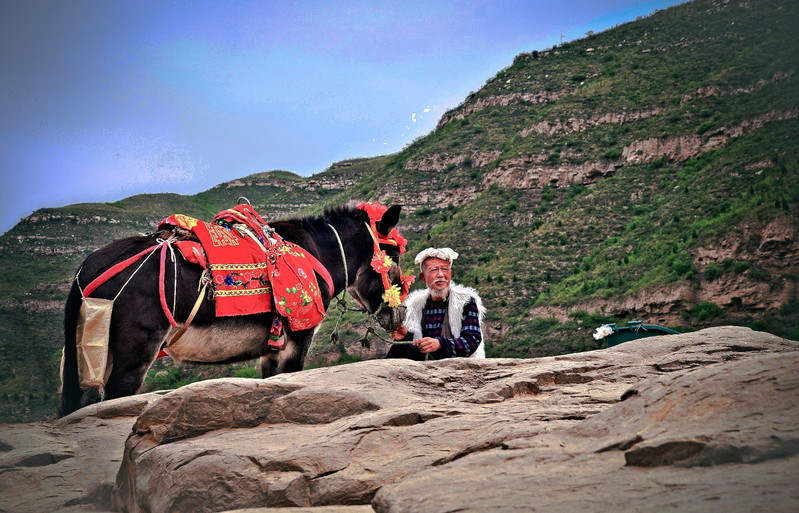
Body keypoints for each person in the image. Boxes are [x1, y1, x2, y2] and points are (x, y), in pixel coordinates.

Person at [387, 247, 486, 360]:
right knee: (397, 350)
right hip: (424, 366)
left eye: (444, 269)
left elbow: (472, 340)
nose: (440, 275)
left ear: (450, 274)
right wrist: (404, 337)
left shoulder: (465, 301)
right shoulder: (414, 305)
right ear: (423, 277)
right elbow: (414, 346)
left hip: (459, 367)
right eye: (434, 270)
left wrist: (440, 344)